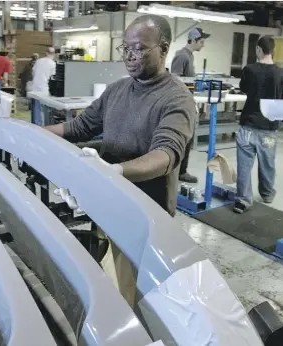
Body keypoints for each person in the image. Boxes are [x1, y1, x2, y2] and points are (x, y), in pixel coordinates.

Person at [44, 14, 196, 306]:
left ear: (163, 50)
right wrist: (26, 132)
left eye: (138, 49)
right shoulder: (117, 90)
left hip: (145, 215)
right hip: (110, 202)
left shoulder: (176, 99)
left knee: (134, 292)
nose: (129, 56)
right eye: (124, 48)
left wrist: (112, 170)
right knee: (109, 275)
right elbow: (78, 127)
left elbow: (165, 156)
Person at [234, 35, 282, 214]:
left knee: (244, 165)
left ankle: (243, 201)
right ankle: (267, 193)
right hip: (269, 127)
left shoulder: (250, 69)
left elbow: (244, 88)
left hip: (248, 124)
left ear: (259, 50)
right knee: (268, 163)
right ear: (273, 51)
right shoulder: (280, 73)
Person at [170, 27, 211, 184]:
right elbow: (175, 80)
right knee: (183, 138)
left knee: (188, 138)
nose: (203, 45)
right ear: (193, 41)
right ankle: (177, 171)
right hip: (181, 103)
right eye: (201, 41)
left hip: (188, 101)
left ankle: (181, 171)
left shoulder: (189, 56)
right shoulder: (181, 56)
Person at [31, 47, 57, 126]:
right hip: (45, 88)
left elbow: (33, 73)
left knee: (36, 108)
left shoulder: (38, 61)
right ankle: (47, 126)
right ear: (54, 54)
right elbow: (53, 78)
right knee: (46, 108)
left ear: (46, 53)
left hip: (35, 86)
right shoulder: (53, 64)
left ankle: (36, 125)